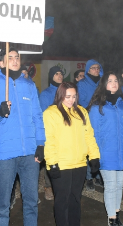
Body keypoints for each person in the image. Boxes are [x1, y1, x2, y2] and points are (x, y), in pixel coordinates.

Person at [0, 48, 45, 226]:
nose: (15, 60)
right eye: (10, 58)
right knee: (2, 205)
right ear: (1, 63)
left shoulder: (29, 85)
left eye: (17, 57)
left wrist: (40, 144)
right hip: (4, 154)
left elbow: (37, 117)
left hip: (29, 154)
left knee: (31, 202)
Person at [44, 82, 100, 226]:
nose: (71, 100)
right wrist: (52, 163)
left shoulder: (82, 111)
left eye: (74, 96)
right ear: (60, 95)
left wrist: (94, 156)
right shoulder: (51, 113)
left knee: (75, 199)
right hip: (61, 165)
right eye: (67, 96)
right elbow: (49, 140)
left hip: (80, 164)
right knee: (62, 201)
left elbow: (89, 136)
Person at [88, 72, 123, 226]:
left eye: (116, 80)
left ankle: (116, 214)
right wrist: (94, 157)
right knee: (110, 186)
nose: (114, 83)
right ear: (103, 84)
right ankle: (111, 219)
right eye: (110, 81)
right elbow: (93, 134)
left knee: (118, 185)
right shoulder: (98, 107)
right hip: (106, 154)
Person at [77, 59, 104, 190]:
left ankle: (98, 176)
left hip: (102, 119)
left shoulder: (103, 83)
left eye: (98, 68)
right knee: (89, 148)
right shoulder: (82, 84)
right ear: (88, 70)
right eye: (93, 68)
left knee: (99, 147)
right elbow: (81, 102)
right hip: (88, 119)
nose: (96, 70)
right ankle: (88, 177)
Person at [38, 66, 64, 201]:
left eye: (61, 74)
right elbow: (43, 114)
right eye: (56, 74)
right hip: (51, 131)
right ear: (51, 77)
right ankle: (48, 187)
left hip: (64, 132)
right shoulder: (46, 94)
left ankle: (60, 184)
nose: (59, 76)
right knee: (51, 158)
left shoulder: (65, 92)